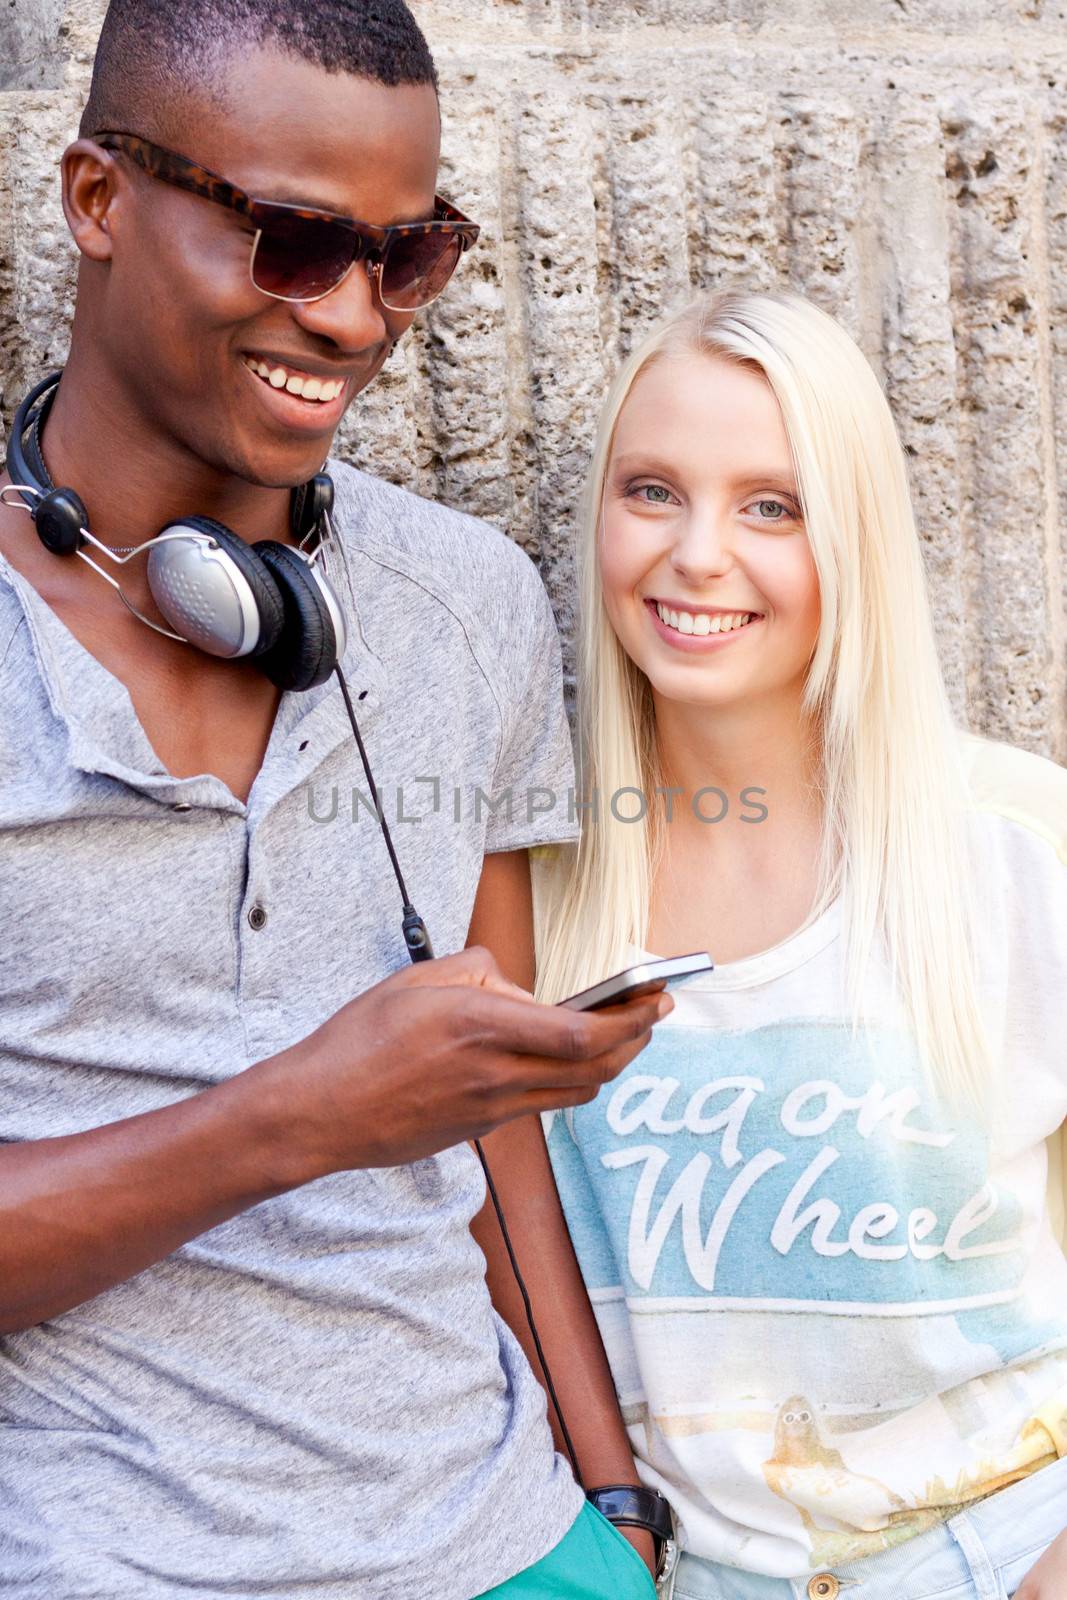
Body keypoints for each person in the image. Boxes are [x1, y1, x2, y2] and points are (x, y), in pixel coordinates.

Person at [0, 2, 672, 1595]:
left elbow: (490, 1118)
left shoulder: (467, 600)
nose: (358, 320)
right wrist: (295, 1119)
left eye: (407, 255)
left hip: (517, 1536)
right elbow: (351, 1105)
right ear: (98, 198)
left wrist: (615, 1503)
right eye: (295, 244)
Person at [514, 289, 1067, 1600]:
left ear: (856, 538)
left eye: (773, 504)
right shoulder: (524, 891)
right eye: (653, 491)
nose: (698, 554)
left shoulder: (1016, 842)